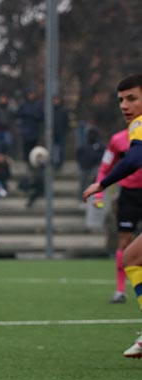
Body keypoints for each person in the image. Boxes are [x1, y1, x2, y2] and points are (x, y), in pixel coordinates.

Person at [83, 74, 142, 357]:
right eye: (121, 100)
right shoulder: (122, 136)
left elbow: (135, 159)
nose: (124, 105)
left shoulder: (139, 125)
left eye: (132, 98)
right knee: (130, 256)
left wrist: (102, 185)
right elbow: (112, 161)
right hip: (130, 197)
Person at [91, 128, 132, 304]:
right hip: (129, 195)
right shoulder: (118, 140)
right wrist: (99, 194)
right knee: (124, 242)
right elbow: (104, 168)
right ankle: (120, 291)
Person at [76, 126, 104, 201]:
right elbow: (79, 154)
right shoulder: (84, 145)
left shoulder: (100, 145)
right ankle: (81, 198)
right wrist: (82, 163)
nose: (92, 136)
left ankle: (95, 197)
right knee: (83, 182)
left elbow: (102, 155)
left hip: (95, 166)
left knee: (96, 179)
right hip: (85, 167)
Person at [16, 89, 44, 164]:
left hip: (35, 129)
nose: (31, 96)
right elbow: (18, 114)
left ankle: (33, 162)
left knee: (34, 146)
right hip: (26, 129)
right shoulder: (23, 105)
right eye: (30, 94)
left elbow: (41, 116)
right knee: (26, 145)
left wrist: (34, 115)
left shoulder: (38, 105)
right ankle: (26, 160)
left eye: (32, 94)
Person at [52, 95, 70, 171]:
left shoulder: (63, 110)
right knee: (53, 148)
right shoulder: (51, 110)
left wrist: (64, 130)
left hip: (61, 132)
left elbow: (66, 122)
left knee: (61, 148)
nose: (55, 101)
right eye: (54, 100)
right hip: (53, 133)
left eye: (57, 100)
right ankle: (54, 162)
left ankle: (60, 163)